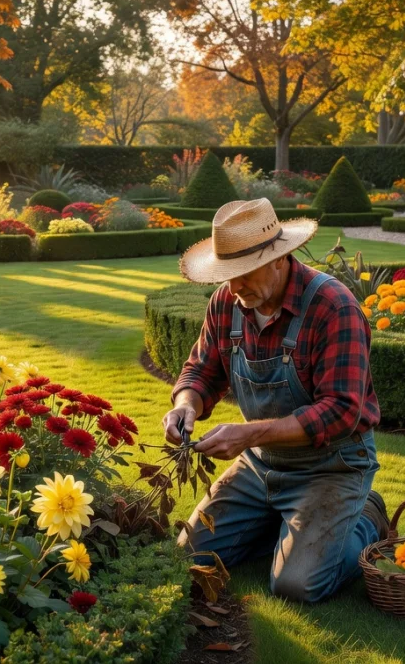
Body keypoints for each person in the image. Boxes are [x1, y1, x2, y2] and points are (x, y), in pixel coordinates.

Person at [166, 197, 389, 603]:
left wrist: (249, 434)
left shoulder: (334, 307)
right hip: (260, 465)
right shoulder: (226, 303)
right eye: (226, 275)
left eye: (242, 274)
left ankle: (366, 518)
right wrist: (185, 405)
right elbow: (200, 372)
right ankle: (285, 524)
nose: (233, 287)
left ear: (278, 258)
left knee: (297, 585)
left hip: (331, 467)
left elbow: (340, 412)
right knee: (188, 556)